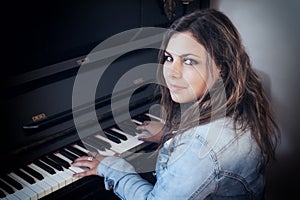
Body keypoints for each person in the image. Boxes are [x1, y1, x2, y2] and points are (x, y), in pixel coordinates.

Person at [71, 8, 280, 199]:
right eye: (169, 58)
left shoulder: (201, 147)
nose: (171, 72)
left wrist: (113, 168)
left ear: (221, 68)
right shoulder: (237, 101)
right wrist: (169, 133)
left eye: (189, 61)